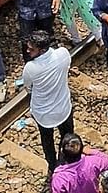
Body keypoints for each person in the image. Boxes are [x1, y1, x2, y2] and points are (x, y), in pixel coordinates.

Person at [21, 30, 73, 175]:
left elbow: (28, 86)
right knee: (67, 137)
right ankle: (66, 161)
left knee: (47, 140)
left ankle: (53, 166)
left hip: (43, 113)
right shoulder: (63, 53)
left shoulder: (30, 68)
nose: (27, 50)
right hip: (63, 107)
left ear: (42, 50)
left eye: (31, 49)